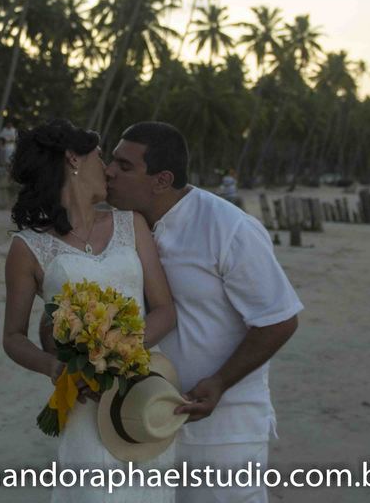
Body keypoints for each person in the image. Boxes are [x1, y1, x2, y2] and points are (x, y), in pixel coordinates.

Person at [100, 122, 302, 503]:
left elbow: (279, 319)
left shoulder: (228, 228)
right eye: (112, 161)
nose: (109, 172)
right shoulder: (122, 230)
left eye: (124, 166)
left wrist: (220, 382)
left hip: (224, 429)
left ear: (162, 180)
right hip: (145, 421)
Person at [3, 119, 181, 503]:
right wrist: (54, 367)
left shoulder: (131, 224)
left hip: (140, 394)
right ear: (73, 159)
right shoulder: (28, 247)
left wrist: (120, 353)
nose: (108, 169)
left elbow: (165, 309)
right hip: (85, 400)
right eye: (100, 157)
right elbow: (13, 337)